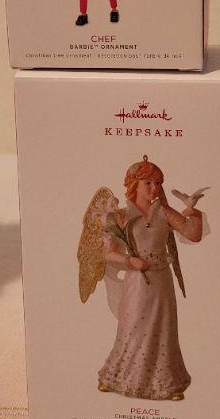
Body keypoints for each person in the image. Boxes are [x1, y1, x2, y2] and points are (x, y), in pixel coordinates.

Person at [79, 156, 207, 401]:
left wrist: (195, 214)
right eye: (148, 183)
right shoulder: (121, 216)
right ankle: (117, 377)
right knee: (133, 327)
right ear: (134, 184)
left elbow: (193, 235)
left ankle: (166, 383)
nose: (154, 188)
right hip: (137, 281)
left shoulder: (164, 212)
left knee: (162, 328)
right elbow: (107, 253)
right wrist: (130, 261)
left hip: (161, 281)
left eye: (158, 183)